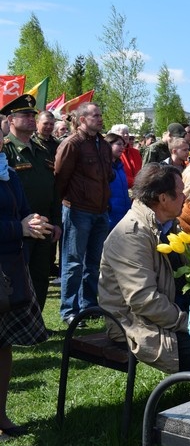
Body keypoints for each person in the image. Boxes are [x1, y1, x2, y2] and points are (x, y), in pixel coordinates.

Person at [98, 163, 190, 373]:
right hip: (135, 324)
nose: (185, 198)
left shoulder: (169, 225)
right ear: (163, 198)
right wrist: (189, 323)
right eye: (180, 193)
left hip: (167, 316)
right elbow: (143, 301)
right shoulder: (131, 234)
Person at [0, 133, 51, 437]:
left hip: (8, 269)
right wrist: (17, 228)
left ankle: (1, 415)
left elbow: (23, 209)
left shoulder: (5, 168)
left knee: (2, 346)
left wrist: (32, 221)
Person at [55, 102, 113, 326]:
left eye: (100, 115)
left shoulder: (103, 144)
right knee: (73, 262)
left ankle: (89, 305)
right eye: (95, 115)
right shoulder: (73, 144)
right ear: (81, 120)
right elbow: (60, 177)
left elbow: (107, 174)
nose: (99, 119)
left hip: (100, 211)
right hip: (78, 210)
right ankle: (69, 310)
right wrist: (67, 202)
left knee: (93, 262)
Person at [2, 94, 62, 308]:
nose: (30, 118)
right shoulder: (6, 150)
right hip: (19, 228)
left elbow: (53, 189)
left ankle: (37, 323)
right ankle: (20, 324)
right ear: (11, 120)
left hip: (43, 225)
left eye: (32, 115)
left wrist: (56, 221)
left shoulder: (42, 150)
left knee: (40, 275)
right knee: (18, 279)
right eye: (25, 115)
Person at [105, 133, 132, 230]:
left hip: (124, 214)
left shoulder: (120, 166)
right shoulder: (103, 167)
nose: (122, 148)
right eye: (119, 144)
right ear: (108, 145)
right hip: (110, 217)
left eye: (123, 145)